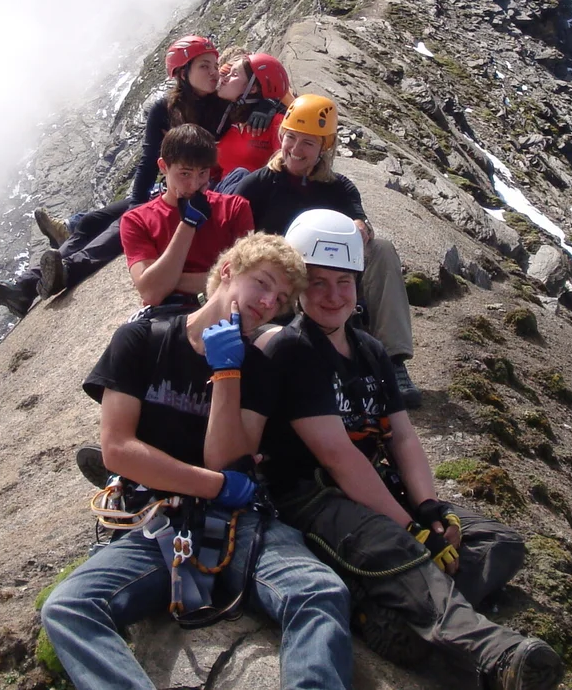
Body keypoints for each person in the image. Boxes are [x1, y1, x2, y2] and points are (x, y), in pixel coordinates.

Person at [249, 210, 562, 690]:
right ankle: (496, 653)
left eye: (344, 282)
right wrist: (410, 527)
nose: (333, 295)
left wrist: (430, 508)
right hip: (312, 499)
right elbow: (338, 457)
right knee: (397, 543)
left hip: (372, 487)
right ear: (298, 289)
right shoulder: (291, 350)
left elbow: (401, 436)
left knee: (498, 542)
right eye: (318, 283)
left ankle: (391, 616)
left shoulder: (370, 350)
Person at [40, 233, 354, 690]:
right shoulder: (141, 340)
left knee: (319, 591)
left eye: (282, 298)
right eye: (262, 283)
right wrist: (212, 485)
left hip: (237, 523)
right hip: (154, 524)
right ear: (227, 271)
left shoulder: (259, 368)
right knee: (69, 606)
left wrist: (227, 372)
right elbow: (118, 450)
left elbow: (226, 460)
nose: (269, 302)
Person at [0, 35, 231, 317]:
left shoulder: (223, 104)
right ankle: (24, 288)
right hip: (168, 189)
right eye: (204, 66)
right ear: (183, 73)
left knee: (120, 227)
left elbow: (254, 98)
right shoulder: (164, 110)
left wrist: (264, 108)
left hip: (195, 194)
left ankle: (67, 271)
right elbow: (149, 161)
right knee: (91, 221)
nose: (214, 72)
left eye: (215, 65)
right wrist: (138, 205)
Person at [219, 94, 422, 407]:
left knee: (381, 249)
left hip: (329, 281)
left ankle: (393, 361)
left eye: (308, 143)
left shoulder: (339, 188)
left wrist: (361, 228)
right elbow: (235, 246)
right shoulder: (258, 185)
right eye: (291, 137)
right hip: (282, 289)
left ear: (324, 147)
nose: (295, 149)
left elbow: (361, 223)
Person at [120, 125, 253, 310]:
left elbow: (245, 278)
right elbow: (152, 293)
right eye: (185, 174)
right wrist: (188, 224)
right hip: (170, 314)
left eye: (203, 173)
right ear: (163, 166)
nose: (194, 185)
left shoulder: (235, 207)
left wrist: (168, 281)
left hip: (225, 308)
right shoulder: (136, 221)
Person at [213, 51, 290, 178]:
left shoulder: (277, 124)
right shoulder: (229, 119)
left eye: (234, 74)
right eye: (229, 73)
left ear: (253, 88)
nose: (225, 78)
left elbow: (287, 172)